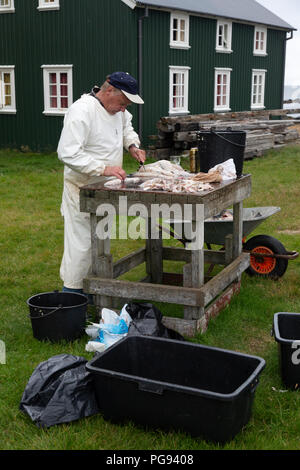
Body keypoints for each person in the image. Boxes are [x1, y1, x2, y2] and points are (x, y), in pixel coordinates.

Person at [57, 71, 146, 295]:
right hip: (81, 187)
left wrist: (132, 146)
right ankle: (72, 296)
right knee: (81, 246)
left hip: (107, 188)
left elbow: (126, 128)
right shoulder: (82, 110)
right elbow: (67, 153)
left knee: (100, 244)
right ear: (108, 91)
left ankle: (94, 291)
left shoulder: (119, 111)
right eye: (123, 102)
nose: (124, 108)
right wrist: (104, 168)